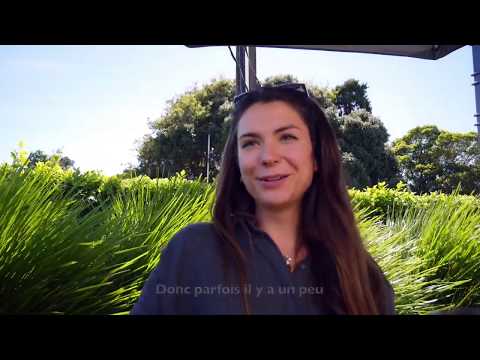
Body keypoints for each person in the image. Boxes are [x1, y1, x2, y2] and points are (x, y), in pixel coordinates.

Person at [130, 83, 395, 315]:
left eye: (287, 137)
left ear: (316, 156)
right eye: (250, 143)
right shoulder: (193, 251)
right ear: (237, 162)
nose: (268, 156)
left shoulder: (363, 276)